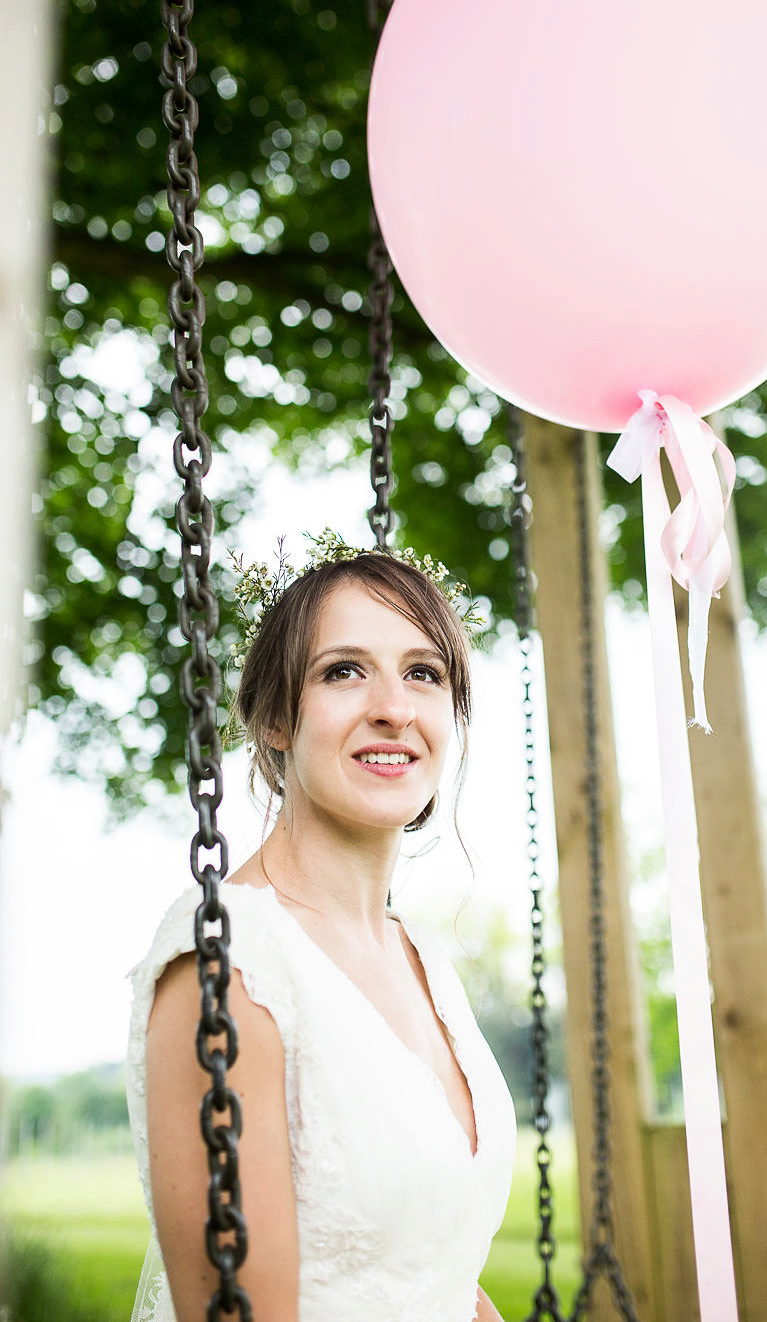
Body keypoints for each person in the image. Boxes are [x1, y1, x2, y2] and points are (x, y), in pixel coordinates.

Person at [125, 531, 517, 1322]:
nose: (393, 709)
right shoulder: (231, 961)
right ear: (274, 716)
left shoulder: (421, 956)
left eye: (424, 673)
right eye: (344, 671)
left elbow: (421, 1266)